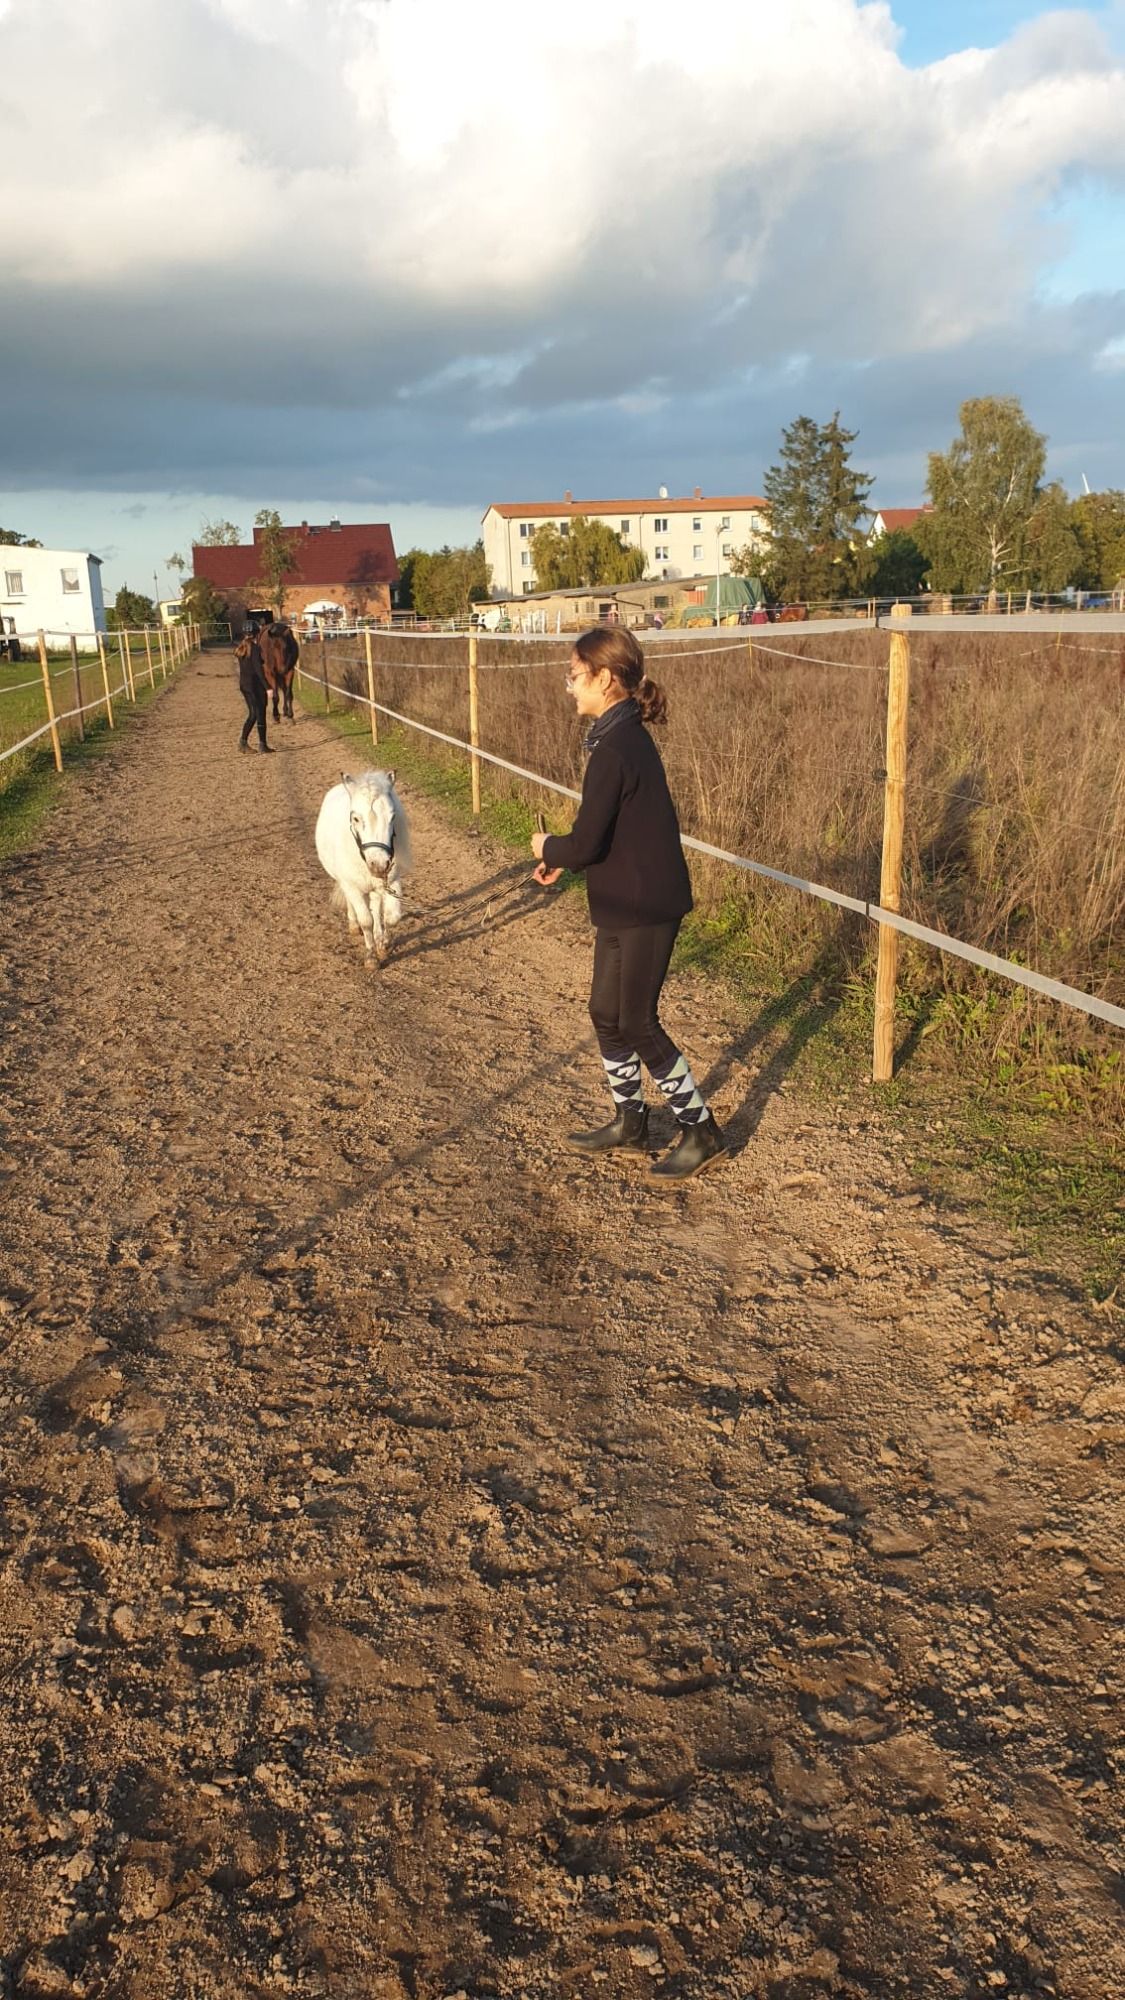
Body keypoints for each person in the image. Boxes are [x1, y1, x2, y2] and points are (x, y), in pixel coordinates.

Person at [531, 628, 726, 1183]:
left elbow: (585, 843)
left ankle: (702, 1131)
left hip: (646, 904)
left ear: (605, 678)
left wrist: (548, 848)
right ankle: (631, 1122)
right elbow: (605, 835)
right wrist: (566, 860)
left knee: (637, 1021)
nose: (569, 686)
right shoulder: (616, 737)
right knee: (605, 1012)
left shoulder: (617, 746)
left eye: (574, 675)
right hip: (622, 900)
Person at [234, 632, 273, 753]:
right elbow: (258, 670)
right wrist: (267, 687)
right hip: (254, 686)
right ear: (256, 635)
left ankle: (262, 744)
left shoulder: (241, 648)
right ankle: (243, 742)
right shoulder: (254, 649)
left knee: (259, 713)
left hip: (245, 685)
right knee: (255, 714)